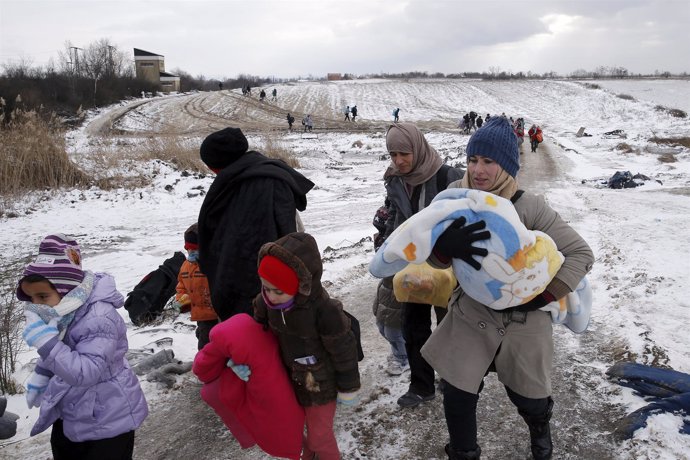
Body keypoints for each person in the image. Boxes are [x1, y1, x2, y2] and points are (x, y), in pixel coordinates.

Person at [423, 116, 594, 459]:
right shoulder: (455, 199)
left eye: (489, 161)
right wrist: (443, 248)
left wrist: (543, 297)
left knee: (529, 398)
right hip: (471, 313)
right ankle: (463, 452)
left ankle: (539, 427)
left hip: (524, 322)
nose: (478, 170)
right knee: (457, 393)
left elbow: (580, 253)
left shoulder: (530, 207)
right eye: (472, 159)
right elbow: (435, 262)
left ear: (507, 166)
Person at [17, 233, 148, 459]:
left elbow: (87, 371)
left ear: (66, 290)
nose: (36, 306)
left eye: (42, 296)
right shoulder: (63, 312)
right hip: (74, 412)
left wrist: (45, 342)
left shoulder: (98, 317)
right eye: (32, 299)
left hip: (107, 417)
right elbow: (64, 349)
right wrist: (42, 373)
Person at [252, 232, 361, 460]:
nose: (271, 296)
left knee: (320, 437)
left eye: (278, 291)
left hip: (321, 384)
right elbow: (255, 330)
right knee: (300, 432)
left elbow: (344, 349)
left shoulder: (324, 311)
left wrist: (348, 386)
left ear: (299, 285)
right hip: (290, 379)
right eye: (266, 287)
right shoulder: (266, 303)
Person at [380, 122, 463, 408]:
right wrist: (386, 243)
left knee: (448, 326)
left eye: (404, 153)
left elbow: (466, 215)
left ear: (418, 148)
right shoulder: (394, 180)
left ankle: (453, 381)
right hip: (410, 267)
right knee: (413, 327)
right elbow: (394, 217)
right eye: (393, 155)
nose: (399, 161)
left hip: (445, 267)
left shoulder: (447, 176)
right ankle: (421, 385)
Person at [197, 127, 315, 321]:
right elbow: (294, 231)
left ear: (215, 165)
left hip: (251, 286)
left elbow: (215, 240)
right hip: (274, 284)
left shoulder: (227, 186)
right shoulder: (272, 173)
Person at [174, 223, 218, 350]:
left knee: (208, 344)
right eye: (188, 249)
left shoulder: (212, 265)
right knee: (202, 335)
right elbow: (181, 285)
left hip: (214, 314)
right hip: (199, 314)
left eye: (195, 249)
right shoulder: (185, 266)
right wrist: (181, 298)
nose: (191, 252)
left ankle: (206, 365)